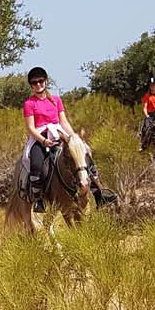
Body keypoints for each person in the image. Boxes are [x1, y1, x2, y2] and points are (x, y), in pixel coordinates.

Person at [22, 66, 114, 211]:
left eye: (40, 81)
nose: (38, 85)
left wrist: (73, 137)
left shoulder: (56, 100)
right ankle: (38, 198)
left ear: (45, 81)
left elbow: (63, 121)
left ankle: (98, 192)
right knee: (35, 164)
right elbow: (30, 128)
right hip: (41, 136)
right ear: (31, 85)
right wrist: (43, 141)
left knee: (84, 153)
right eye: (34, 83)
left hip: (59, 132)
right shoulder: (29, 103)